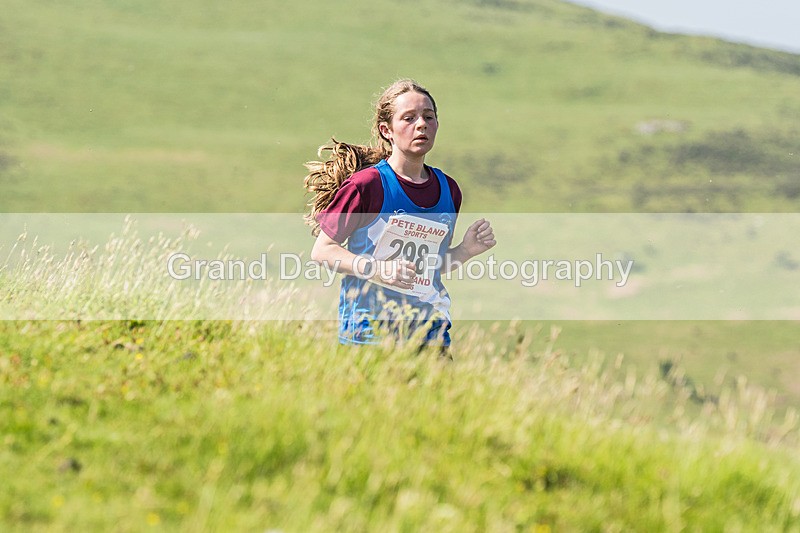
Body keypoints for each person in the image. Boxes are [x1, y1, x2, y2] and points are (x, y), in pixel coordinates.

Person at [304, 79, 495, 349]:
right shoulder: (365, 186)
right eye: (408, 118)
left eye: (429, 117)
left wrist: (465, 250)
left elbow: (430, 269)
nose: (421, 125)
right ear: (387, 130)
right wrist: (378, 269)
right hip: (369, 335)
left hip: (429, 333)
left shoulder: (448, 190)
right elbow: (322, 251)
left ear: (437, 125)